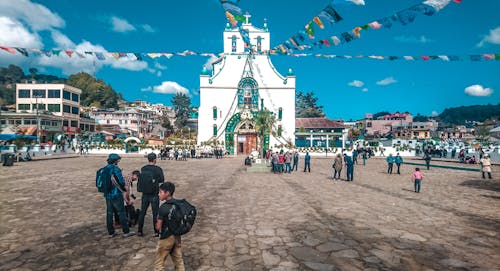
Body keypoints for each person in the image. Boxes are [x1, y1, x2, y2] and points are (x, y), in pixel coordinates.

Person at [154, 182, 185, 271]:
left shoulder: (163, 208)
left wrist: (157, 224)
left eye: (160, 192)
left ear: (167, 193)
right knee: (178, 260)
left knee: (159, 263)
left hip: (166, 238)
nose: (158, 194)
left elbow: (158, 226)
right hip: (177, 236)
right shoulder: (178, 204)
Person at [103, 153, 135, 238]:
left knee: (109, 213)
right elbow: (121, 182)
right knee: (121, 212)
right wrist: (124, 189)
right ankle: (126, 231)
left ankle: (111, 232)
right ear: (115, 161)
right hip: (116, 194)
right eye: (118, 160)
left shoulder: (105, 169)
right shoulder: (115, 169)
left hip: (107, 194)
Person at [138, 153, 165, 237]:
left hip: (145, 193)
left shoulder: (143, 168)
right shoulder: (158, 169)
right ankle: (156, 231)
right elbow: (162, 180)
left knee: (143, 212)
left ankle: (139, 230)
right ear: (155, 160)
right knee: (155, 213)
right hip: (154, 193)